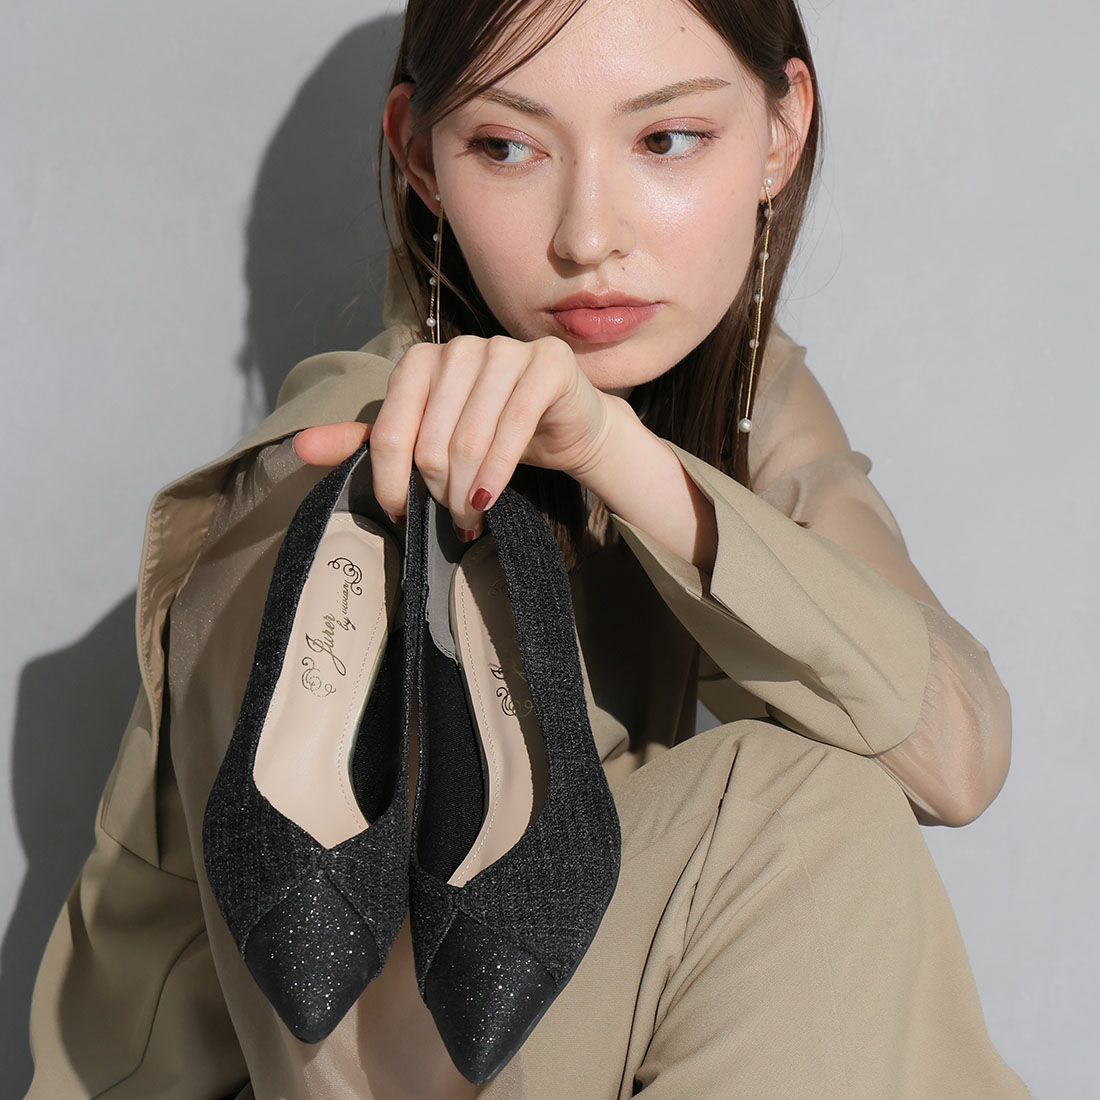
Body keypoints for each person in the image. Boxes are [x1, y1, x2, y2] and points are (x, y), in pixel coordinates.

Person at [25, 0, 1033, 1096]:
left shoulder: (737, 391)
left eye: (666, 138)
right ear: (421, 159)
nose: (587, 237)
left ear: (780, 134)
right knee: (796, 818)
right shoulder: (341, 486)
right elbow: (336, 1064)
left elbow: (955, 754)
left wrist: (619, 459)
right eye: (507, 147)